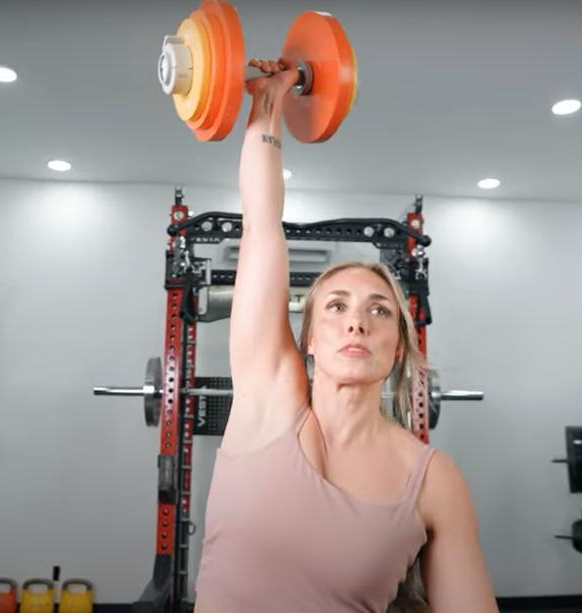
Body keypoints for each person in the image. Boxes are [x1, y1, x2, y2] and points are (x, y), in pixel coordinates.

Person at [193, 58, 499, 613]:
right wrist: (266, 104)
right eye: (337, 306)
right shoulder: (266, 401)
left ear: (399, 346)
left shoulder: (432, 481)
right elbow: (262, 229)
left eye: (380, 311)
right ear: (307, 338)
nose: (357, 321)